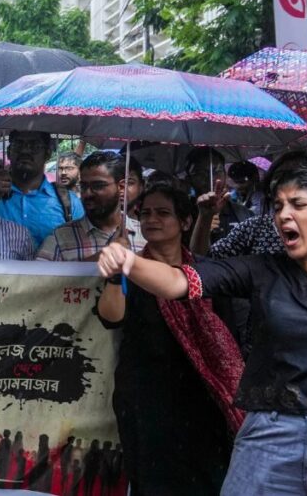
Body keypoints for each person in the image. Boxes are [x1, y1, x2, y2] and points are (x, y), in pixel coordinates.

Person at [99, 158, 307, 494]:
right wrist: (128, 262)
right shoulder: (262, 269)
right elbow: (179, 282)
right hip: (271, 438)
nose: (283, 215)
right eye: (278, 205)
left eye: (298, 204)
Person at [96, 182, 241, 495]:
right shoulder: (131, 268)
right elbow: (111, 317)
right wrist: (117, 271)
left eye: (163, 213)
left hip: (203, 398)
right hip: (147, 401)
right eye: (145, 213)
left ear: (185, 222)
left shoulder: (206, 273)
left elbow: (227, 334)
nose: (151, 220)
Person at [38, 151, 145, 261]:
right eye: (84, 186)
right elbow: (39, 277)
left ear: (122, 187)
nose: (87, 193)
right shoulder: (59, 238)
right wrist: (103, 257)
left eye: (98, 186)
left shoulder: (145, 233)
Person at [0, 131, 83, 246]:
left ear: (48, 153)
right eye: (18, 145)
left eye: (34, 146)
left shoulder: (69, 202)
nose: (25, 151)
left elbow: (82, 246)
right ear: (8, 152)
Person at [184, 147, 251, 243]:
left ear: (225, 175)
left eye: (217, 171)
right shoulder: (180, 215)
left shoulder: (244, 214)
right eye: (200, 172)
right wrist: (203, 228)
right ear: (188, 180)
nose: (210, 177)